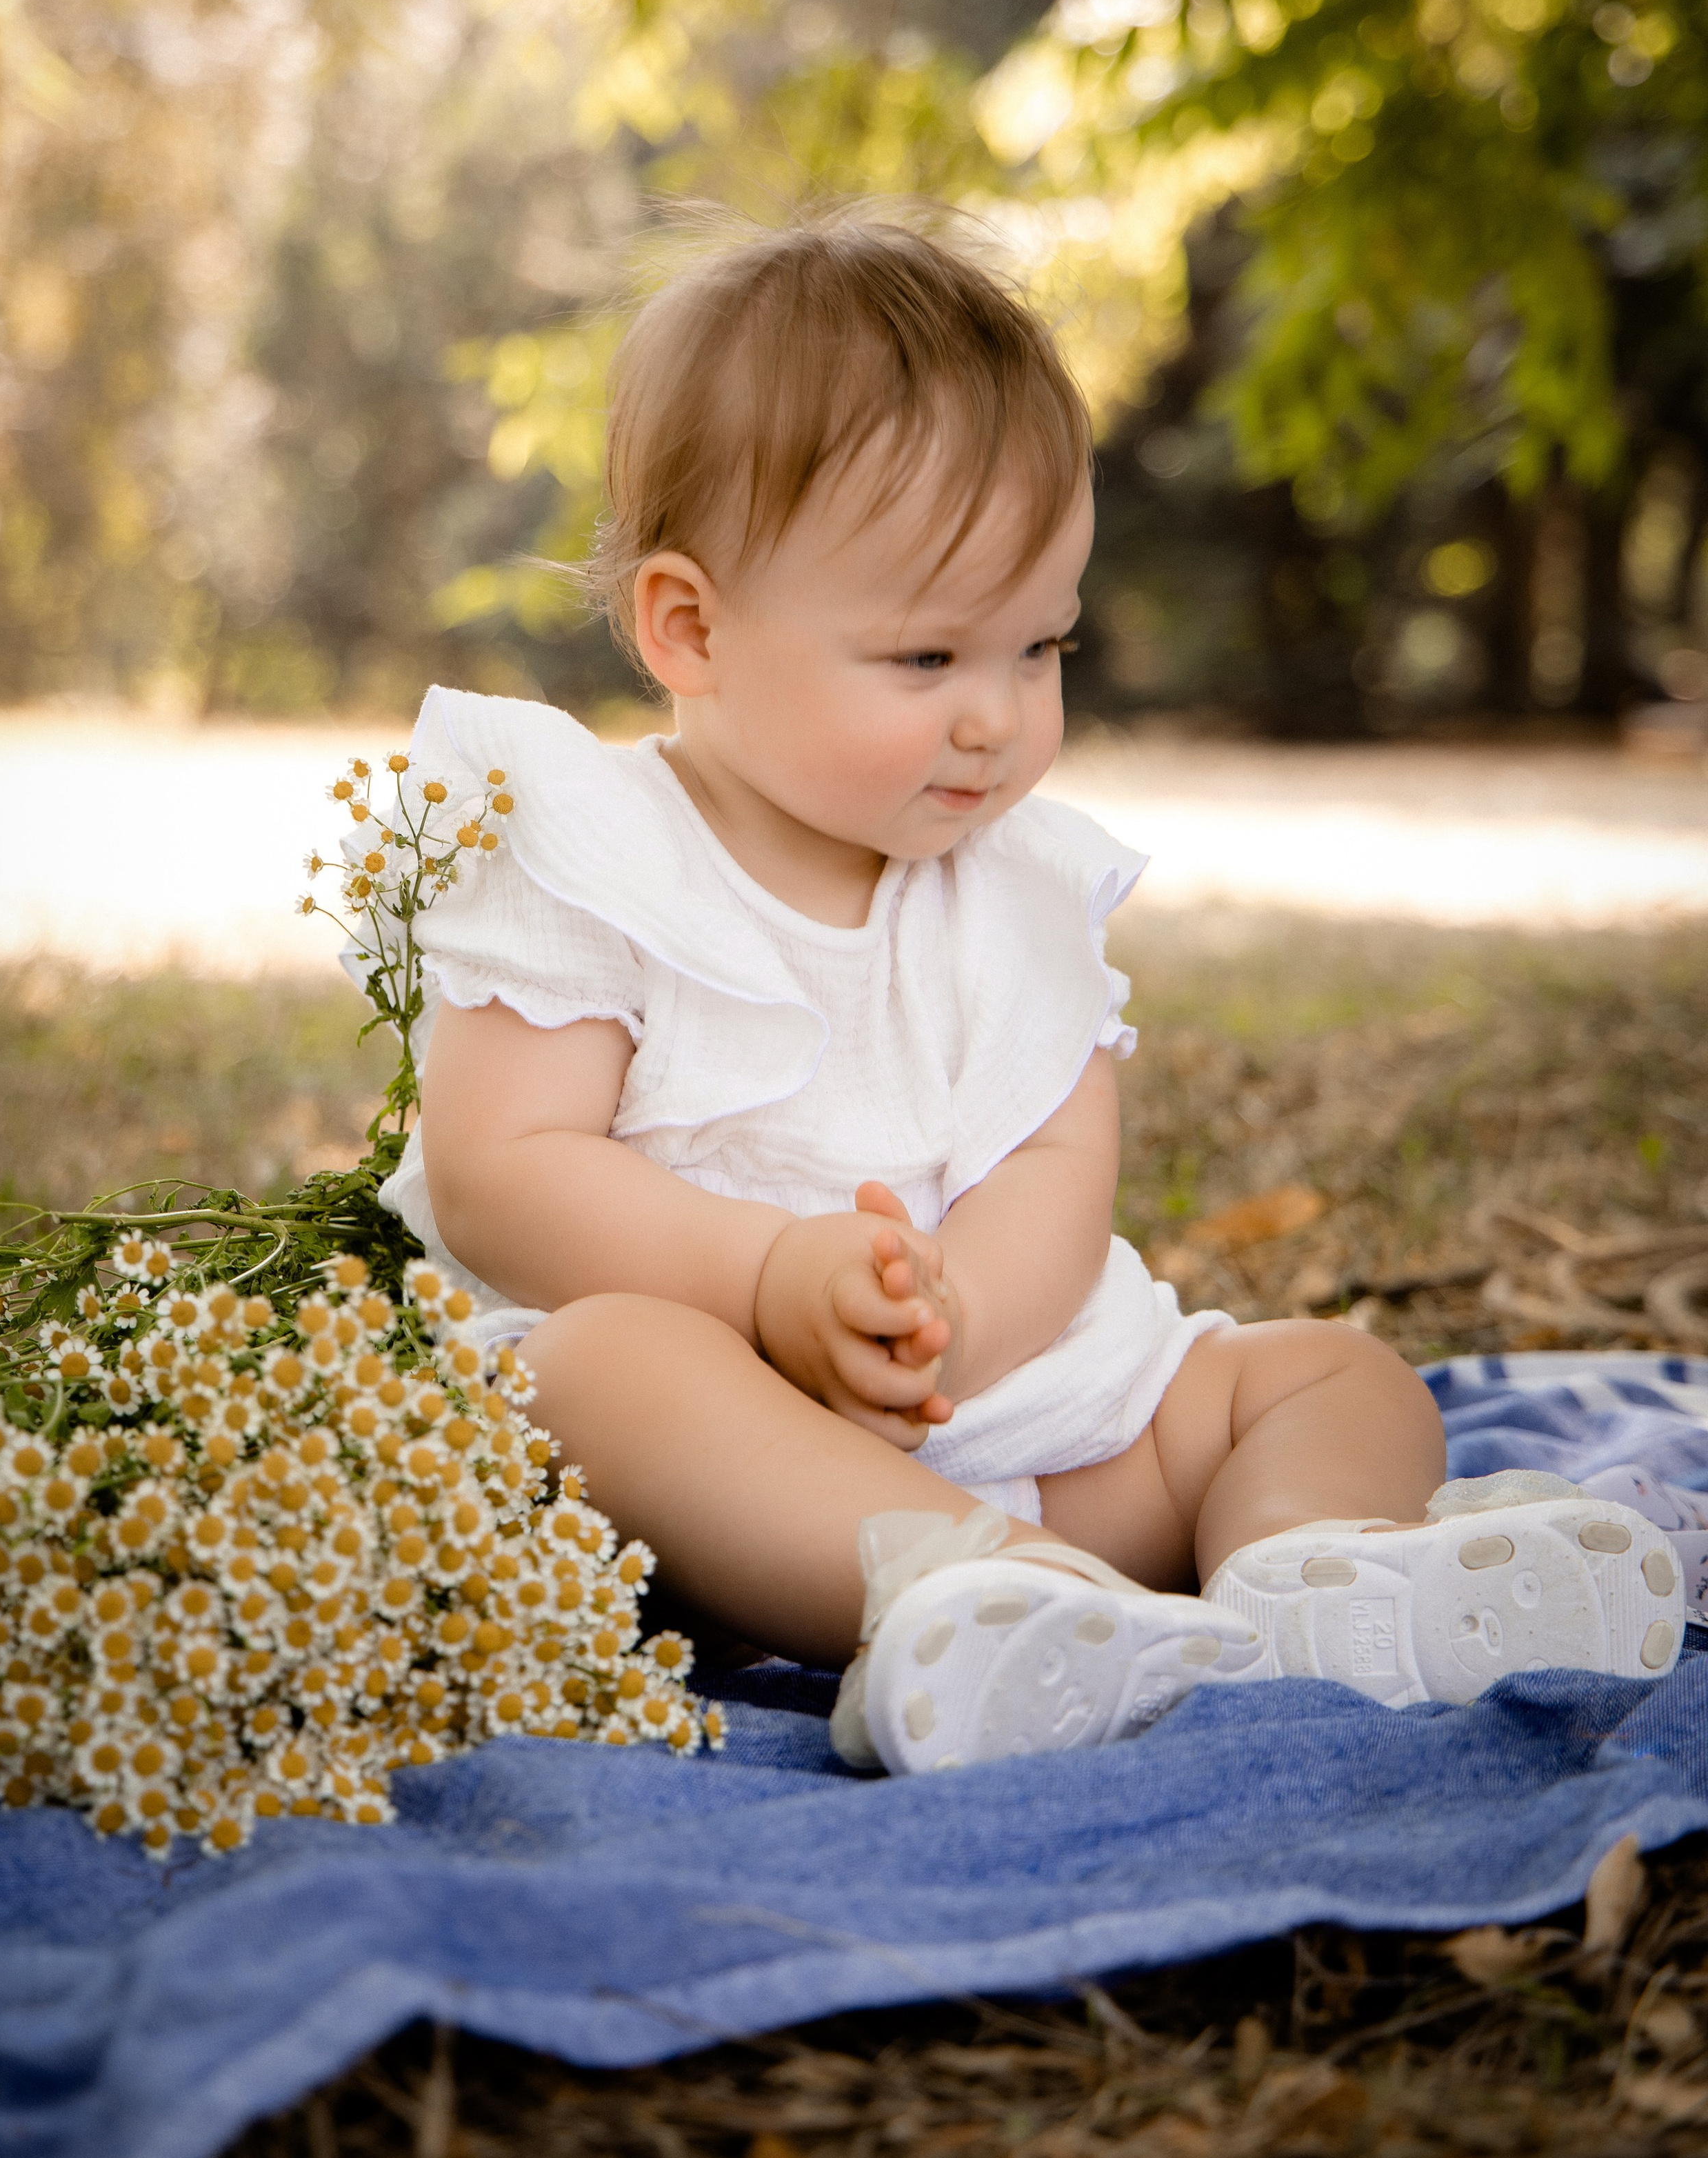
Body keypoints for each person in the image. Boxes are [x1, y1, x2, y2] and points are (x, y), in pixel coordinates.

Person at [381, 216, 1682, 1775]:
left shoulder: (1015, 886)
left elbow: (1059, 1153)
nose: (997, 719)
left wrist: (966, 1322)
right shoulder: (595, 853)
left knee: (1332, 1377)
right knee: (592, 1375)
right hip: (728, 1477)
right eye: (927, 656)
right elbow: (500, 1170)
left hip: (1029, 1423)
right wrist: (770, 1281)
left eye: (1039, 646)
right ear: (691, 626)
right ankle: (984, 1596)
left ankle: (1292, 1587)